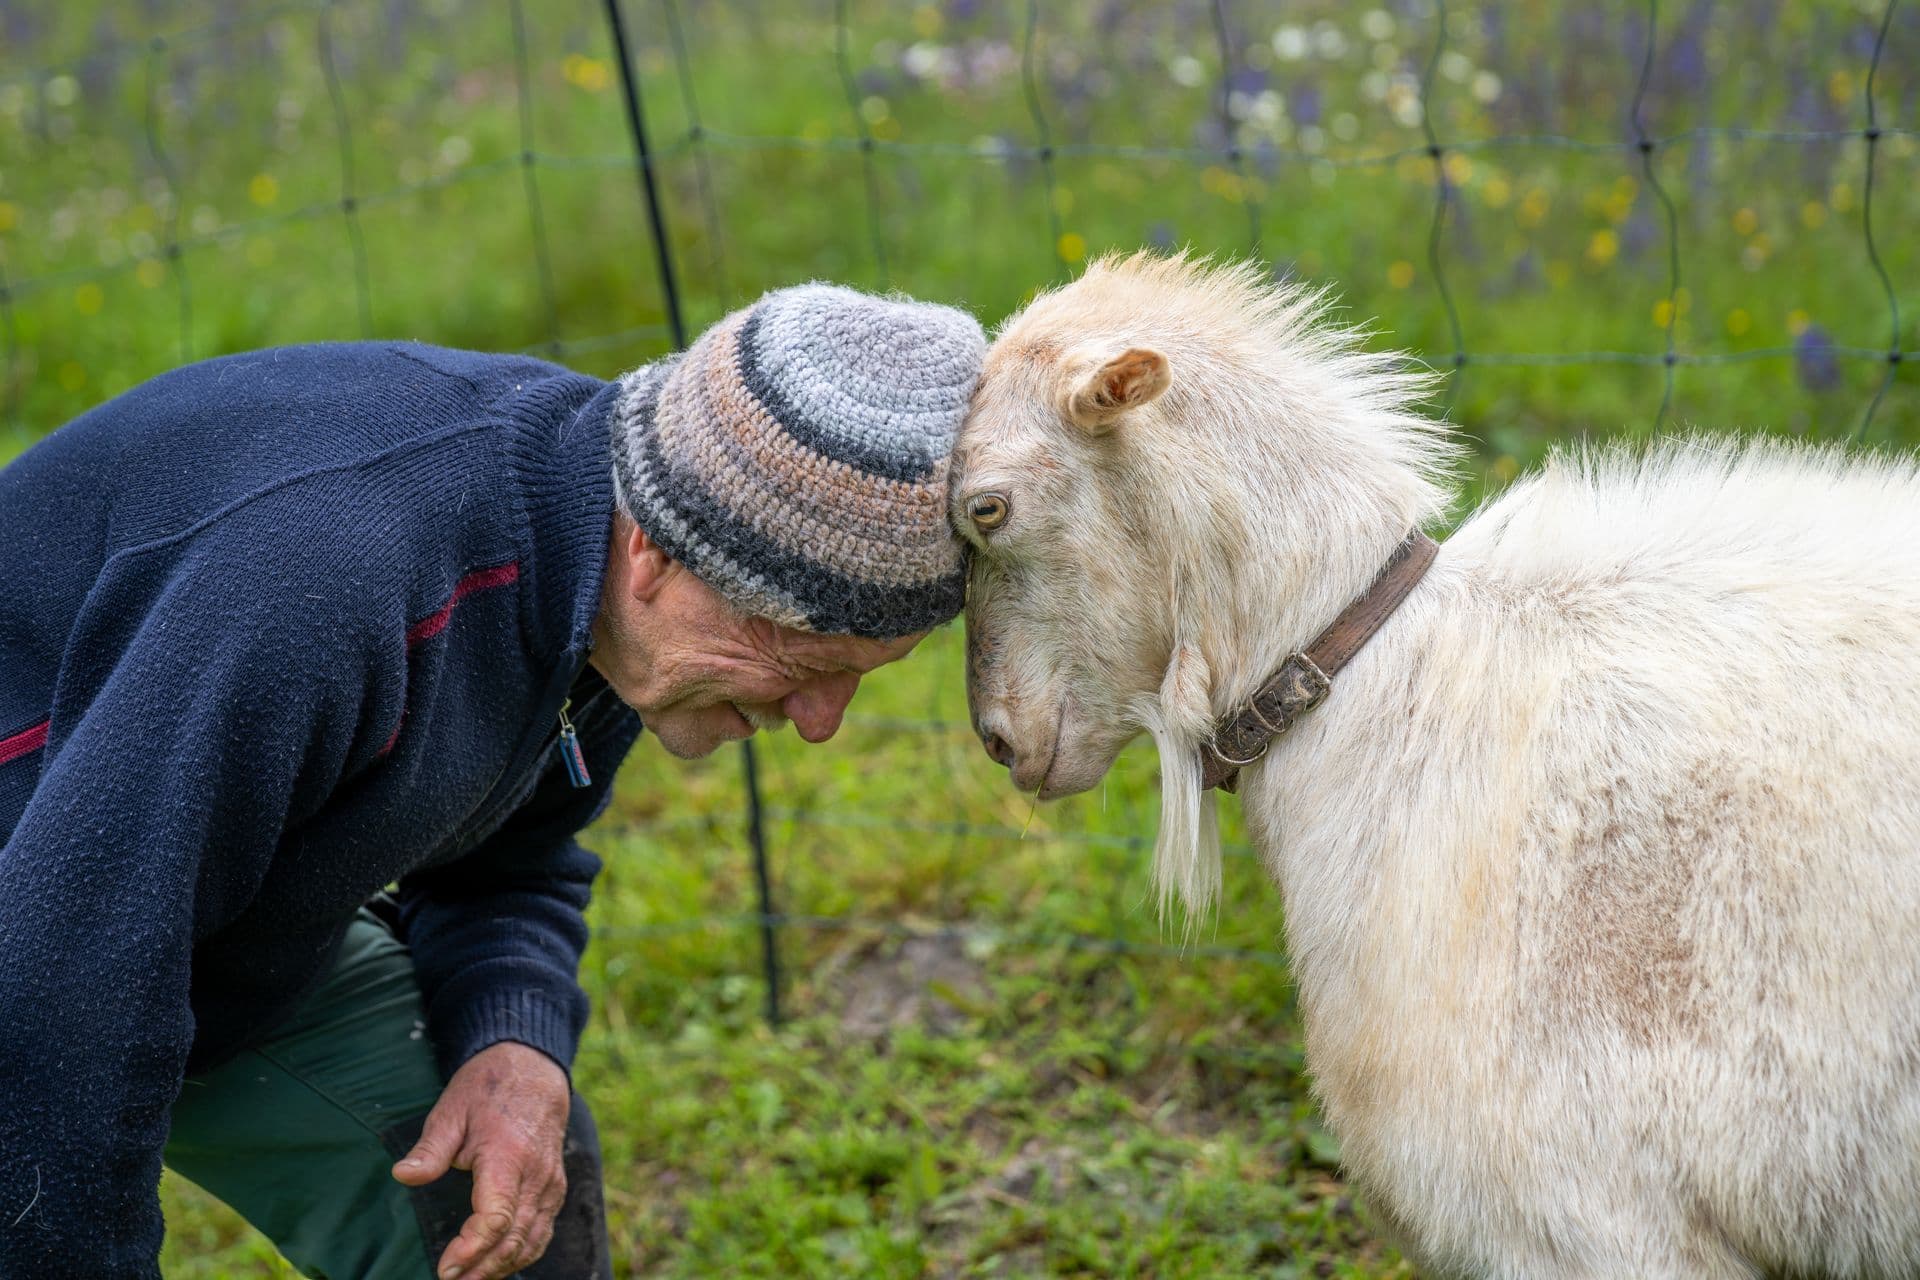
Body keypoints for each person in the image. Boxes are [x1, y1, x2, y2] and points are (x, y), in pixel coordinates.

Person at [0, 283, 986, 1279]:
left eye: (861, 676)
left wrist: (515, 1036)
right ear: (657, 551)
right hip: (46, 937)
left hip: (198, 919)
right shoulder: (323, 589)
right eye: (810, 662)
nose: (819, 724)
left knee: (507, 1206)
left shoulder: (598, 569)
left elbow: (513, 851)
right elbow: (53, 994)